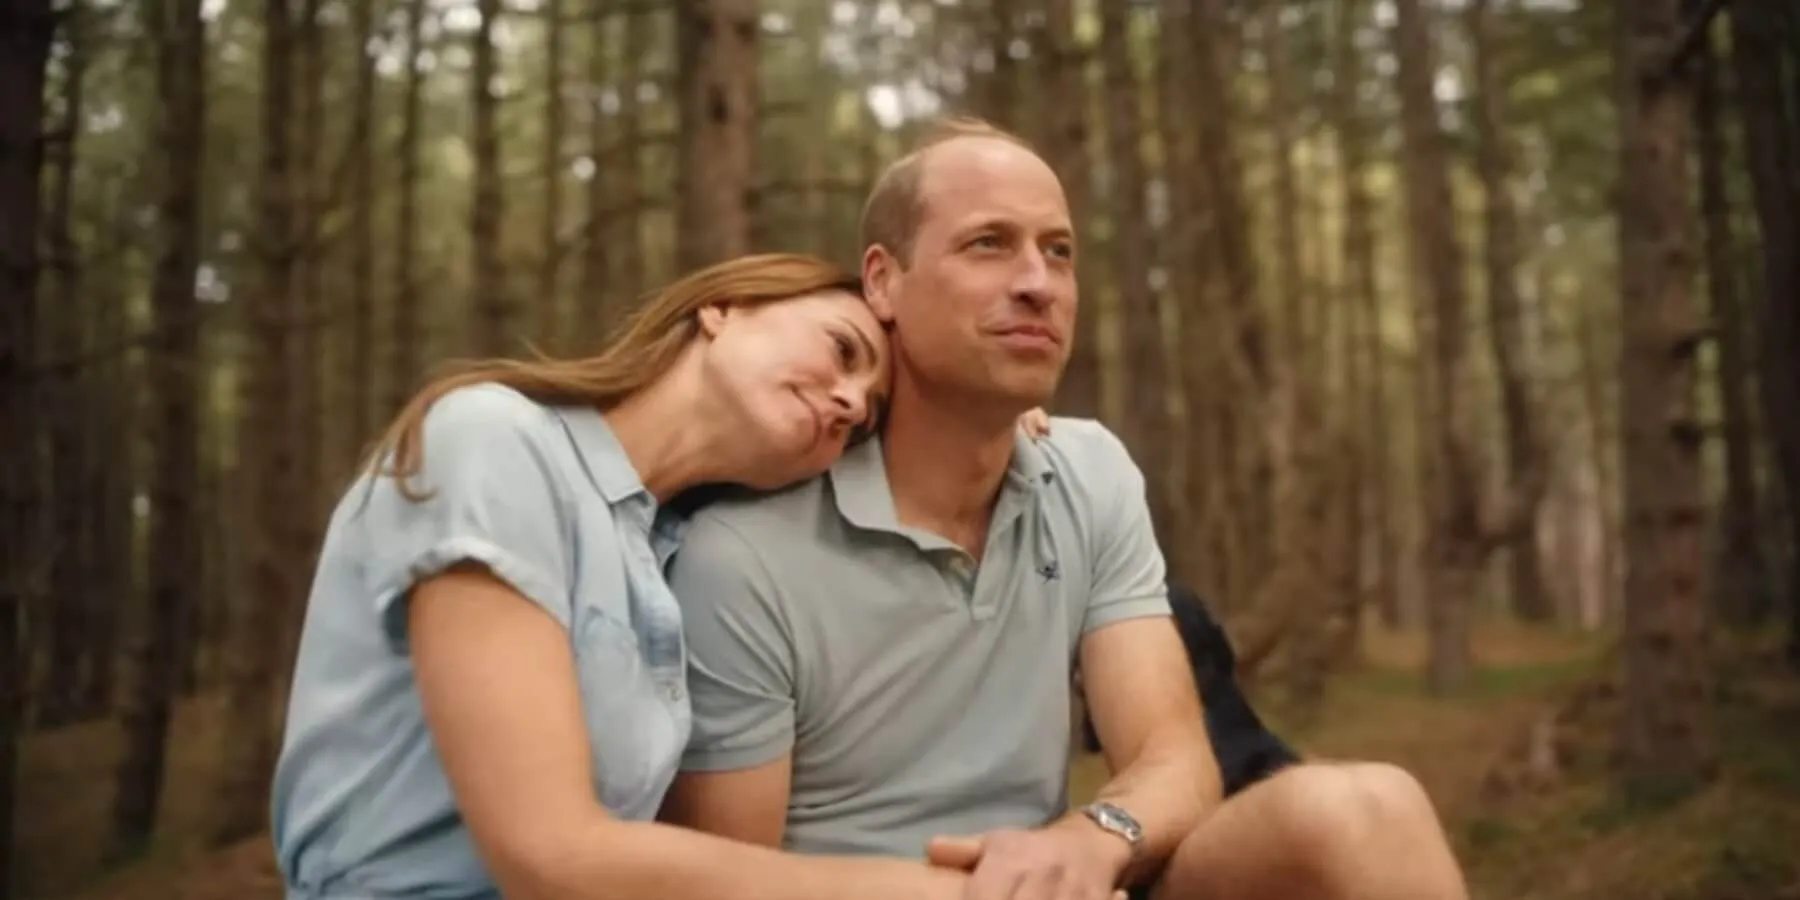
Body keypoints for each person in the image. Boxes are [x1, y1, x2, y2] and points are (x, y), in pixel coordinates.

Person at [659, 119, 1471, 900]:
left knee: (1367, 810)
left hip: (1067, 882)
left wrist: (1088, 840)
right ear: (883, 280)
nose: (1036, 283)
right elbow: (726, 883)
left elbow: (1175, 758)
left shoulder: (1088, 473)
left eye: (1059, 252)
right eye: (988, 244)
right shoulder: (744, 549)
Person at [268, 253, 1052, 900]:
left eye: (871, 416)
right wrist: (950, 894)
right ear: (725, 308)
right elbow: (549, 856)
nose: (851, 402)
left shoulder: (676, 555)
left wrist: (977, 427)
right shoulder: (495, 441)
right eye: (843, 350)